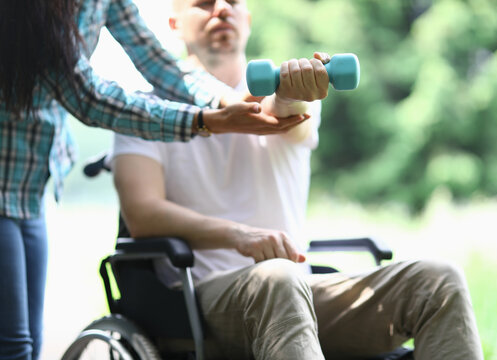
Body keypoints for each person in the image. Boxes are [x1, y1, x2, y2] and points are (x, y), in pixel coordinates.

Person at [112, 0, 484, 359]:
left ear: (249, 20)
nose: (221, 8)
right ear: (174, 24)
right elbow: (143, 214)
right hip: (198, 300)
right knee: (278, 278)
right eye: (205, 3)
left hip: (297, 290)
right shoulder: (146, 113)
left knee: (439, 279)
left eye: (232, 2)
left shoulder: (277, 89)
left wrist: (290, 93)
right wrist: (240, 235)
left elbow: (281, 114)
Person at [0, 0, 308, 359]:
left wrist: (226, 100)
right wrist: (204, 120)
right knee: (14, 346)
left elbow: (155, 60)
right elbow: (87, 96)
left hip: (30, 182)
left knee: (29, 343)